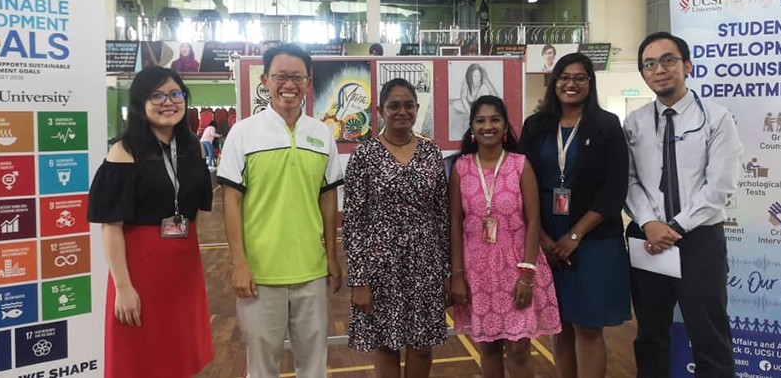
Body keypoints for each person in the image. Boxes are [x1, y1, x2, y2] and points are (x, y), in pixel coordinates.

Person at [217, 44, 343, 378]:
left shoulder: (322, 134)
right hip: (260, 275)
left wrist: (331, 257)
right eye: (280, 77)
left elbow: (328, 199)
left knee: (313, 366)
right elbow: (231, 201)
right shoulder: (242, 133)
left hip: (311, 272)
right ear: (265, 80)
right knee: (262, 368)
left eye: (296, 77)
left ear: (308, 81)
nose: (289, 84)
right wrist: (239, 264)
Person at [625, 32, 742, 377]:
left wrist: (674, 228)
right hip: (647, 240)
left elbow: (720, 186)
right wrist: (649, 223)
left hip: (699, 242)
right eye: (649, 64)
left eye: (668, 60)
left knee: (710, 338)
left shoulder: (718, 119)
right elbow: (628, 181)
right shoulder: (634, 123)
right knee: (650, 336)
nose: (659, 69)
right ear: (644, 74)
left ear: (687, 65)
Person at [87, 66, 213, 378]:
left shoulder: (192, 148)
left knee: (180, 354)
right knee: (139, 357)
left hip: (184, 268)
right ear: (140, 103)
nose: (168, 102)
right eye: (156, 95)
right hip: (140, 269)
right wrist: (123, 287)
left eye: (175, 94)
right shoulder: (123, 152)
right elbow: (111, 227)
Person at [520, 53, 632, 378]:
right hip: (545, 235)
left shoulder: (606, 125)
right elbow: (520, 183)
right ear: (554, 82)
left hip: (594, 237)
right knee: (559, 324)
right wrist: (540, 236)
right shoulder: (536, 125)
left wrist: (574, 235)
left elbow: (614, 188)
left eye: (580, 77)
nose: (571, 84)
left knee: (588, 327)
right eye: (564, 77)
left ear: (590, 83)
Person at [343, 78, 449, 378]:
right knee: (386, 345)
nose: (402, 111)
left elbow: (442, 216)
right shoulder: (363, 156)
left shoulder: (431, 152)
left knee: (422, 345)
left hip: (425, 264)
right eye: (393, 106)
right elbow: (353, 222)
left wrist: (445, 273)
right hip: (380, 265)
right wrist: (359, 281)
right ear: (380, 110)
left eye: (408, 105)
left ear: (416, 109)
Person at [450, 95, 561, 378]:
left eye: (495, 119)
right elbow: (454, 222)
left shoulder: (520, 165)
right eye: (481, 120)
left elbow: (533, 221)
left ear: (505, 125)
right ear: (472, 128)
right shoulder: (461, 168)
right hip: (477, 270)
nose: (488, 126)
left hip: (517, 267)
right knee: (487, 348)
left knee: (519, 349)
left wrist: (527, 274)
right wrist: (458, 274)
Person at [452, 63, 499, 139]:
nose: (477, 78)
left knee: (484, 88)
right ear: (470, 76)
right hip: (469, 105)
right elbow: (463, 98)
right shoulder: (466, 82)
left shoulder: (484, 82)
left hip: (481, 106)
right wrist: (470, 113)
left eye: (479, 76)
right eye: (475, 76)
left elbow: (494, 95)